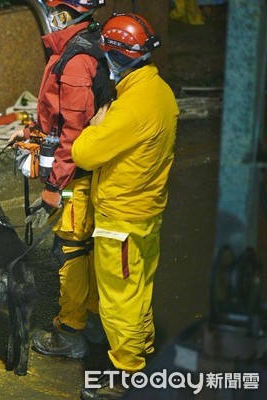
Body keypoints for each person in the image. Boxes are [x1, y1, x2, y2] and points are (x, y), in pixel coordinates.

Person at [72, 13, 179, 400]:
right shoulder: (159, 91)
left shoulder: (131, 107)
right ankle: (142, 351)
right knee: (138, 291)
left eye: (108, 55)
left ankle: (128, 377)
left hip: (121, 219)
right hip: (147, 213)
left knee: (119, 301)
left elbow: (84, 153)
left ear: (118, 56)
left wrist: (98, 124)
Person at [10, 0, 113, 359]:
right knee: (87, 249)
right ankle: (97, 324)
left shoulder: (75, 61)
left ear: (67, 13)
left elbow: (74, 133)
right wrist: (34, 132)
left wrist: (54, 187)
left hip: (74, 178)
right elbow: (61, 118)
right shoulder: (83, 45)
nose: (50, 13)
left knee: (71, 252)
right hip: (80, 172)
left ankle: (71, 333)